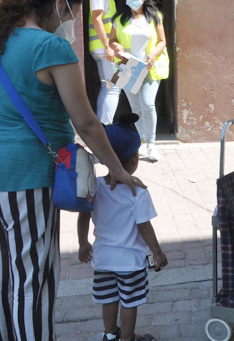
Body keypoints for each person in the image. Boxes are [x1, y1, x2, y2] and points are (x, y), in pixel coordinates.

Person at [0, 0, 143, 341]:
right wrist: (118, 170)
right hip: (24, 179)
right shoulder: (51, 46)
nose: (70, 25)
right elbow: (87, 123)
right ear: (61, 2)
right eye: (73, 15)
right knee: (32, 280)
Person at [77, 113, 167, 341]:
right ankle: (127, 339)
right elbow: (144, 226)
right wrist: (157, 252)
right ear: (135, 158)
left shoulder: (95, 186)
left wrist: (83, 243)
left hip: (103, 258)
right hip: (131, 262)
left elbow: (84, 217)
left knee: (109, 298)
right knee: (130, 301)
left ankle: (109, 335)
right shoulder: (138, 192)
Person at [108, 0, 168, 162]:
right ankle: (141, 141)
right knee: (135, 108)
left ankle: (151, 145)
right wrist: (116, 47)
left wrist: (152, 55)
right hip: (129, 67)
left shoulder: (155, 16)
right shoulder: (119, 19)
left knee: (148, 104)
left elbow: (162, 41)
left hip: (150, 67)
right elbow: (112, 41)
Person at [89, 0, 124, 124]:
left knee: (109, 87)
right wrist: (107, 46)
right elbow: (97, 19)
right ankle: (105, 130)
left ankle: (102, 128)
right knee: (113, 89)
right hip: (103, 48)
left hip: (103, 48)